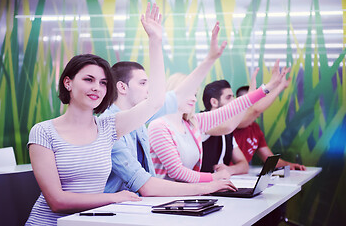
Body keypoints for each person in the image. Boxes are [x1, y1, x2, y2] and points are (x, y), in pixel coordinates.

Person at [26, 3, 167, 225]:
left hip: (88, 222)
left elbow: (156, 100)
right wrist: (115, 198)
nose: (97, 88)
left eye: (102, 82)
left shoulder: (108, 127)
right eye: (88, 79)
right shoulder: (43, 131)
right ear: (68, 82)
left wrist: (155, 41)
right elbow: (57, 201)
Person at [101, 21, 237, 196]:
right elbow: (146, 186)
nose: (149, 89)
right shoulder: (109, 127)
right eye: (143, 83)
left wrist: (210, 59)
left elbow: (147, 181)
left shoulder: (140, 123)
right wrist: (209, 184)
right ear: (122, 87)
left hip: (137, 206)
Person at [148, 62, 286, 183]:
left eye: (195, 94)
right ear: (174, 92)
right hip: (167, 200)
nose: (194, 99)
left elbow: (231, 110)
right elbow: (177, 172)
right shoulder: (159, 126)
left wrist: (267, 88)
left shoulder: (192, 122)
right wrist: (213, 179)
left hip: (187, 194)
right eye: (190, 93)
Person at [234, 80, 306, 170]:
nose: (260, 106)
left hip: (242, 176)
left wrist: (289, 165)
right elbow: (256, 110)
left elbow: (270, 160)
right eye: (255, 102)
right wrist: (279, 86)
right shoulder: (233, 124)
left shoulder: (255, 128)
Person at [200, 79, 249, 175]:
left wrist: (230, 170)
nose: (233, 101)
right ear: (214, 102)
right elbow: (228, 128)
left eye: (233, 97)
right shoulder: (201, 122)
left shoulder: (227, 129)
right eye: (228, 98)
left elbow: (244, 165)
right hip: (203, 187)